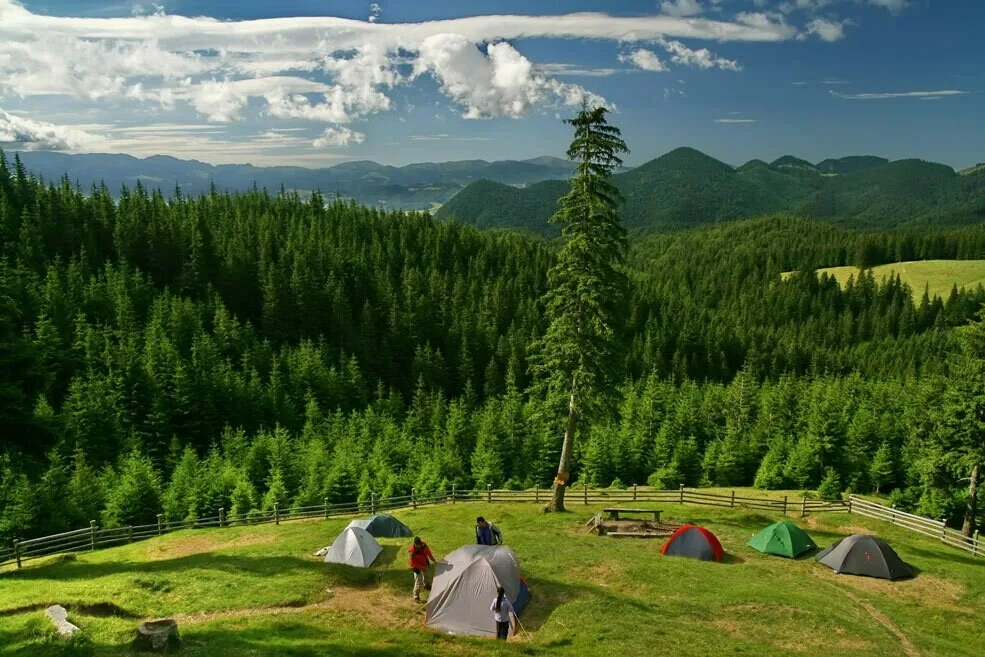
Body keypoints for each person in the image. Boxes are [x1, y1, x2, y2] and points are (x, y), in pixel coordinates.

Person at [408, 536, 436, 602]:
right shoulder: (412, 551)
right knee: (418, 581)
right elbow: (412, 563)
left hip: (424, 563)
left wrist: (433, 559)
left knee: (426, 575)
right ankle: (416, 596)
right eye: (417, 545)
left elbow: (428, 552)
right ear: (415, 544)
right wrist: (421, 568)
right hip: (416, 567)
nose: (419, 546)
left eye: (419, 544)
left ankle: (426, 585)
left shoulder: (423, 545)